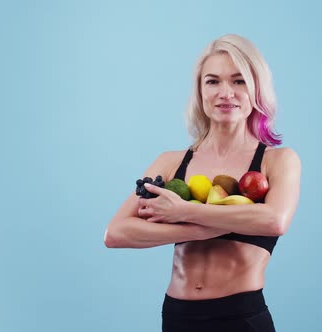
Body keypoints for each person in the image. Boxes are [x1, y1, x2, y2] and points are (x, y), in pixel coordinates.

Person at [104, 34, 301, 332]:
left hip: (240, 318)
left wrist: (182, 212)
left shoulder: (277, 160)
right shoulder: (170, 162)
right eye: (212, 81)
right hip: (177, 317)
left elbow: (273, 220)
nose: (225, 92)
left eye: (239, 81)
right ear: (199, 90)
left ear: (257, 89)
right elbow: (116, 233)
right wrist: (204, 227)